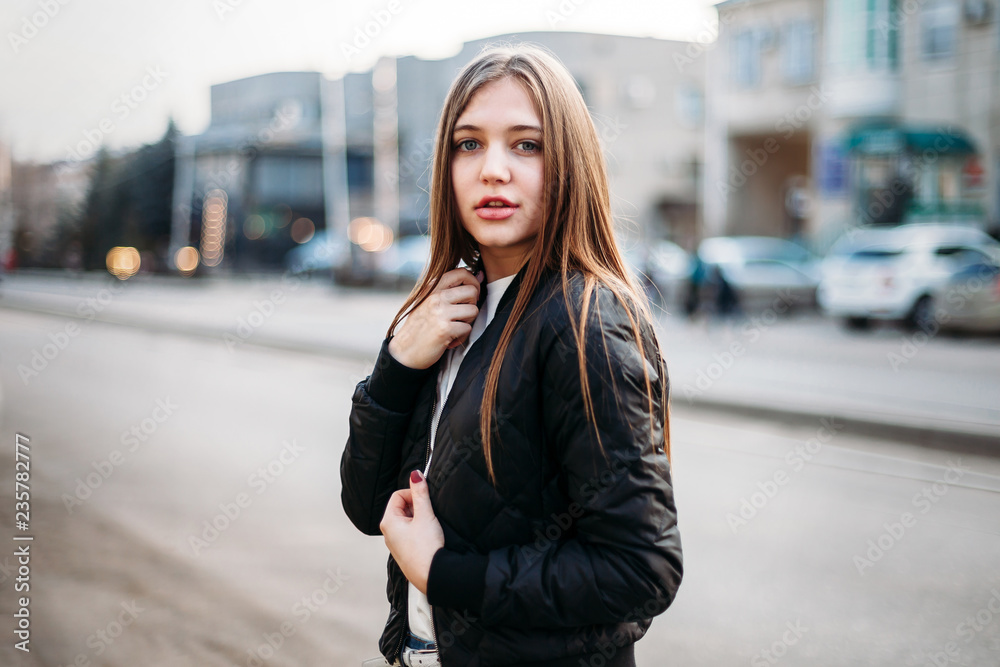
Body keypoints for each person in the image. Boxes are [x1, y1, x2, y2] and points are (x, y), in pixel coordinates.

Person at [341, 43, 683, 667]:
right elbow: (368, 507)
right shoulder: (449, 311)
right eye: (468, 144)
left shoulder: (584, 322)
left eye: (527, 145)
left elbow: (641, 568)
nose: (492, 170)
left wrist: (446, 575)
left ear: (569, 163)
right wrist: (397, 365)